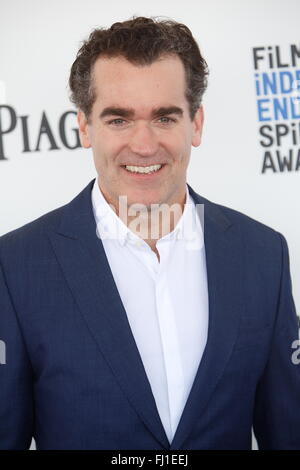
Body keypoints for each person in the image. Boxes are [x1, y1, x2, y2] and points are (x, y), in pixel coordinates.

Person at [0, 16, 299, 451]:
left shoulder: (263, 254)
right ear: (85, 127)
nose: (143, 144)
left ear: (195, 124)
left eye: (164, 117)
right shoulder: (17, 265)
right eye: (119, 119)